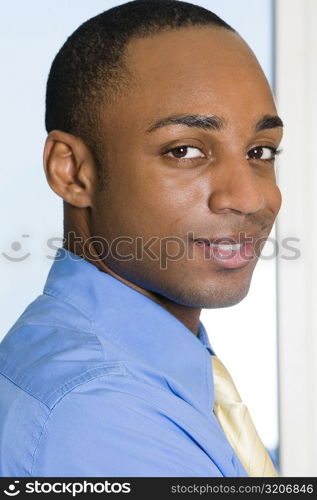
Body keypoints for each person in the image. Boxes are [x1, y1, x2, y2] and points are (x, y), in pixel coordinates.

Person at [0, 0, 283, 477]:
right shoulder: (99, 412)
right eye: (186, 150)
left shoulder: (154, 369)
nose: (250, 197)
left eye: (260, 151)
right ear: (72, 171)